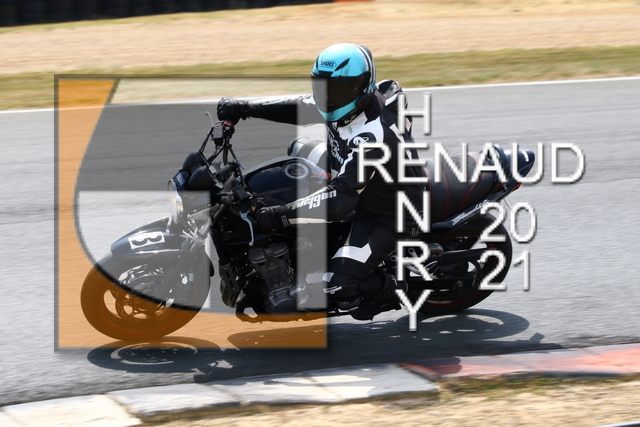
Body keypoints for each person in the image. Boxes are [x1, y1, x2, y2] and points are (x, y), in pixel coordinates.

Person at [217, 43, 426, 320]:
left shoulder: (371, 135)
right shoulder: (350, 104)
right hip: (353, 171)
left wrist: (279, 215)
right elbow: (299, 107)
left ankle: (393, 289)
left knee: (336, 287)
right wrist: (244, 107)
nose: (328, 98)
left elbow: (341, 200)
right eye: (322, 89)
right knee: (297, 149)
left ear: (362, 87)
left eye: (337, 90)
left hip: (387, 211)